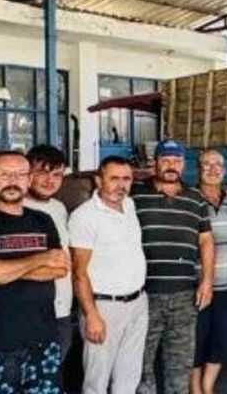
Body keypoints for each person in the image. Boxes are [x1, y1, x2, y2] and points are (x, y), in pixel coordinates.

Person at [0, 150, 67, 393]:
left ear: (29, 180)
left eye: (20, 174)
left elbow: (60, 267)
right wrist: (41, 259)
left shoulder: (43, 220)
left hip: (44, 338)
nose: (13, 181)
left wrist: (2, 274)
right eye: (5, 174)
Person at [132, 139, 215, 394]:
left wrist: (207, 281)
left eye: (177, 161)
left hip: (184, 296)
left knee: (179, 365)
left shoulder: (196, 199)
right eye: (165, 160)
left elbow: (206, 241)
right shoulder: (135, 195)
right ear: (155, 162)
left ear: (184, 164)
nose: (171, 166)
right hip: (144, 295)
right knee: (140, 364)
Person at [69, 155, 149, 394]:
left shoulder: (130, 206)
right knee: (97, 380)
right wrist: (91, 315)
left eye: (126, 179)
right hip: (103, 307)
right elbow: (79, 273)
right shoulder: (85, 216)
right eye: (114, 178)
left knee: (129, 376)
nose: (120, 185)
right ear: (98, 180)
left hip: (137, 302)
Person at [192, 150, 227, 394]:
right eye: (207, 164)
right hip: (197, 287)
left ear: (224, 170)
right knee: (196, 340)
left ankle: (208, 386)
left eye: (218, 165)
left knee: (222, 340)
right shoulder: (189, 199)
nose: (212, 169)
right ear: (198, 168)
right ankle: (195, 389)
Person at [25, 144, 75, 362]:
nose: (50, 180)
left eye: (57, 175)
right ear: (27, 173)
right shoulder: (7, 206)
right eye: (42, 172)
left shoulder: (58, 207)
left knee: (54, 373)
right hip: (25, 314)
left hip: (61, 311)